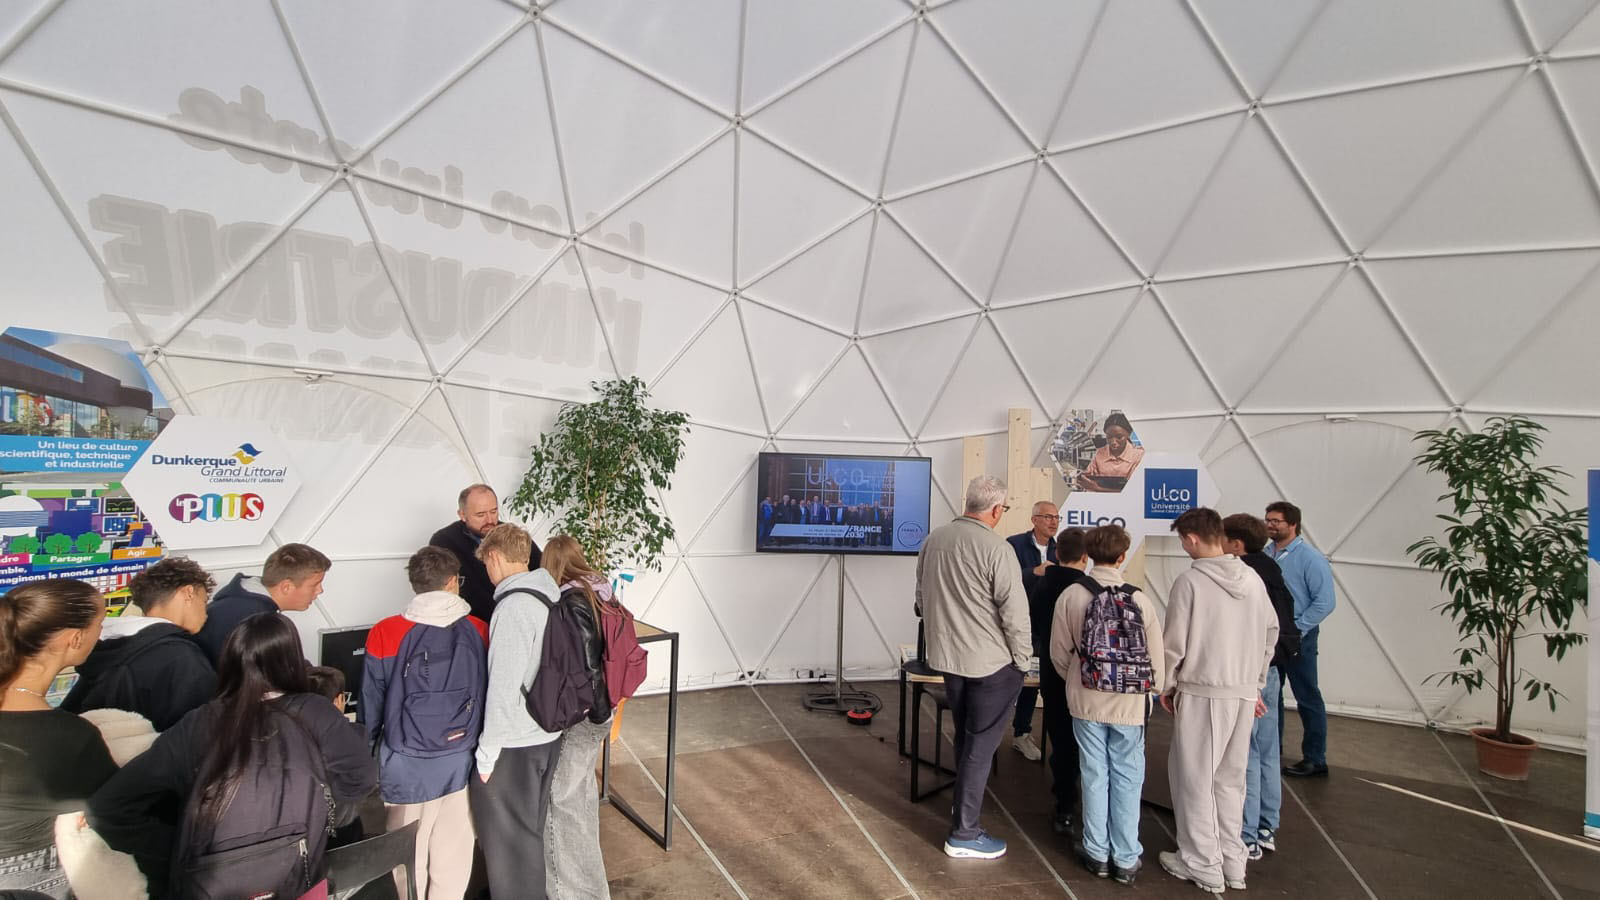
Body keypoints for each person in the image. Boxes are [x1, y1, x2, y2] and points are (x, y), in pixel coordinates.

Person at [89, 613, 377, 899]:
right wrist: (314, 811)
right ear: (291, 660)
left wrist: (180, 848)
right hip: (295, 873)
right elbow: (360, 780)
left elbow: (109, 808)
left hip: (207, 882)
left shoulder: (198, 723)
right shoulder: (315, 711)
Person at [1158, 508, 1277, 894]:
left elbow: (1175, 643)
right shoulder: (1254, 579)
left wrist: (1167, 684)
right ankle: (1233, 861)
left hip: (1203, 690)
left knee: (1194, 779)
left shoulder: (1190, 582)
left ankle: (1200, 861)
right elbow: (1269, 634)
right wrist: (1256, 683)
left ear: (1192, 538)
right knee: (1230, 781)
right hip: (1242, 692)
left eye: (1182, 540)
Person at [913, 475, 1029, 860]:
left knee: (966, 737)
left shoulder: (933, 540)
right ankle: (964, 832)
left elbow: (920, 600)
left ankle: (962, 805)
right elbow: (1015, 613)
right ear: (996, 510)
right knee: (981, 746)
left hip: (949, 661)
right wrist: (1023, 661)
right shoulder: (998, 549)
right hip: (991, 665)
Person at [363, 545, 488, 900]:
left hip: (404, 764)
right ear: (452, 582)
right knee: (454, 854)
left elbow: (372, 703)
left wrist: (373, 754)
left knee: (407, 856)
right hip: (461, 760)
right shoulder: (478, 628)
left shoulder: (385, 632)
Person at [1051, 524, 1165, 885]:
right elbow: (1157, 661)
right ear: (1121, 557)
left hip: (1087, 698)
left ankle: (1097, 851)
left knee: (1094, 772)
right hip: (1131, 703)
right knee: (1129, 775)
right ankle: (1126, 857)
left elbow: (1058, 653)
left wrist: (1079, 677)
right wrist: (1151, 690)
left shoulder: (1072, 594)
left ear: (1089, 554)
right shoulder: (1141, 599)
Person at [0, 580, 116, 899]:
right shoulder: (70, 736)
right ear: (75, 638)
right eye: (99, 625)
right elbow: (114, 810)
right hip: (29, 879)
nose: (101, 635)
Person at [472, 523, 563, 898]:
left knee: (510, 847)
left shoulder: (513, 607)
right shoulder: (550, 594)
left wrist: (487, 753)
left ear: (494, 557)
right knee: (528, 835)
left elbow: (503, 688)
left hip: (516, 743)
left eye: (486, 565)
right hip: (548, 733)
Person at [542, 536, 624, 899]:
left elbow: (589, 664)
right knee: (580, 796)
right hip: (605, 707)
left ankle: (571, 892)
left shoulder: (572, 600)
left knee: (560, 803)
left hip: (588, 712)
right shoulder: (602, 590)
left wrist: (595, 711)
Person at [61, 557, 217, 731]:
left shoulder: (109, 644)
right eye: (204, 602)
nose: (206, 614)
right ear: (188, 593)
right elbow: (200, 734)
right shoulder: (183, 658)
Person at [1223, 514, 1301, 860]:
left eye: (1223, 540)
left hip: (1252, 673)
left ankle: (1247, 833)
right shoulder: (1273, 574)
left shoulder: (1246, 578)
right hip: (1270, 672)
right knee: (1267, 750)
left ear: (1237, 545)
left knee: (1247, 752)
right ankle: (1267, 826)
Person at [1264, 501, 1335, 779]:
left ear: (1292, 524)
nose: (1270, 524)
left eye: (1276, 521)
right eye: (1268, 519)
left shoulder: (1310, 558)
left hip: (1299, 638)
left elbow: (1325, 602)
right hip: (1272, 636)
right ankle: (1273, 750)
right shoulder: (1267, 554)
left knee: (1307, 696)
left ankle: (1316, 758)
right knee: (1271, 694)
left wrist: (1298, 628)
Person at [1029, 527, 1090, 834]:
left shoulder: (1042, 586)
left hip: (1052, 674)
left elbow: (1036, 627)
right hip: (1087, 678)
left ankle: (1065, 805)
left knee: (1062, 741)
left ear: (1056, 554)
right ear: (1085, 557)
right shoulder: (1088, 590)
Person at [194, 542, 331, 664]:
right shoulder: (257, 622)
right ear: (286, 587)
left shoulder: (237, 603)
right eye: (315, 585)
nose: (320, 591)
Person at [430, 484, 543, 624]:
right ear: (462, 515)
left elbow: (541, 571)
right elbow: (437, 591)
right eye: (480, 515)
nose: (489, 520)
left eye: (494, 511)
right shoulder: (444, 541)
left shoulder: (513, 535)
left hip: (519, 618)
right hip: (469, 627)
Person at [1004, 501, 1059, 762]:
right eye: (1048, 516)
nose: (1053, 521)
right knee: (1008, 678)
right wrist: (1034, 572)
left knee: (1033, 681)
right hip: (1015, 621)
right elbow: (1004, 578)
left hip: (1046, 624)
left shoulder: (1060, 549)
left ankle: (1021, 733)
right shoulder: (1013, 544)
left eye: (1057, 517)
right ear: (1034, 519)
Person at [307, 665, 368, 851]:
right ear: (339, 700)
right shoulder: (357, 735)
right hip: (347, 831)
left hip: (310, 834)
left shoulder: (298, 739)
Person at [1076, 413, 1144, 492]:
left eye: (1119, 437)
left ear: (1129, 434)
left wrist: (1098, 488)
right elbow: (1087, 480)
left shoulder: (1139, 455)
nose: (1113, 442)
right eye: (1109, 437)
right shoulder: (1098, 454)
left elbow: (1135, 490)